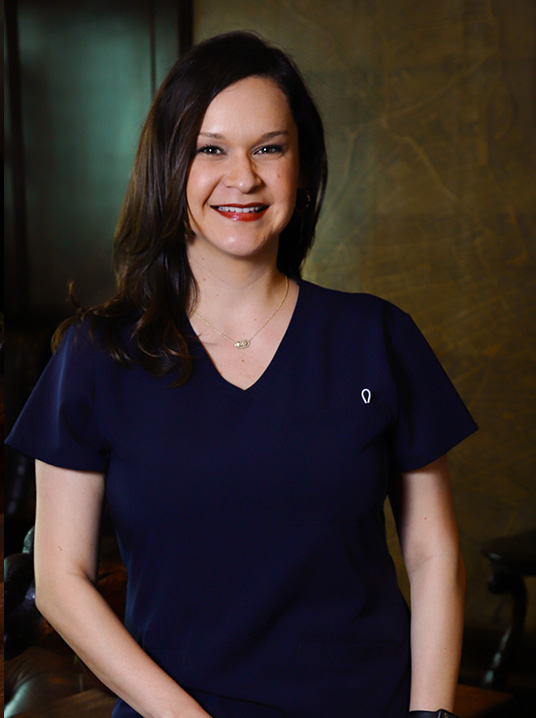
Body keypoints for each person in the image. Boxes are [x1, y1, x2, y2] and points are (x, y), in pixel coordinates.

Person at [6, 31, 477, 718]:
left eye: (269, 148)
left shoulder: (377, 336)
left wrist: (429, 717)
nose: (244, 177)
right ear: (170, 167)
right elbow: (60, 580)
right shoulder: (97, 355)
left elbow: (433, 553)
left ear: (302, 169)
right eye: (211, 149)